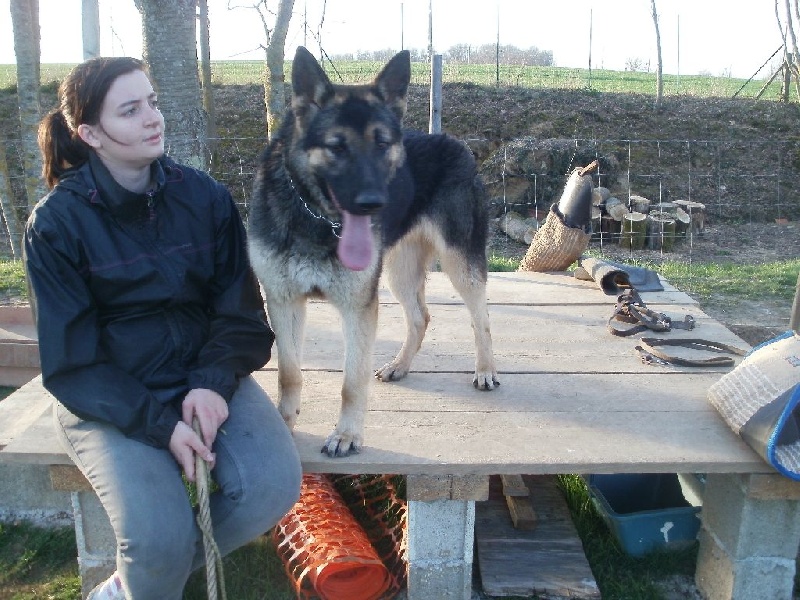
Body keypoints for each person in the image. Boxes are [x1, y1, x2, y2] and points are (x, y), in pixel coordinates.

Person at [23, 56, 302, 600]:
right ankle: (148, 572)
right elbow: (72, 362)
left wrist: (212, 381)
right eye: (131, 110)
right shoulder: (56, 225)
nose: (153, 118)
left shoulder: (206, 198)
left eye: (152, 102)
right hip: (109, 395)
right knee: (157, 536)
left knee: (271, 486)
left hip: (201, 374)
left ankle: (138, 581)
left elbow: (241, 315)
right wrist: (158, 426)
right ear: (90, 134)